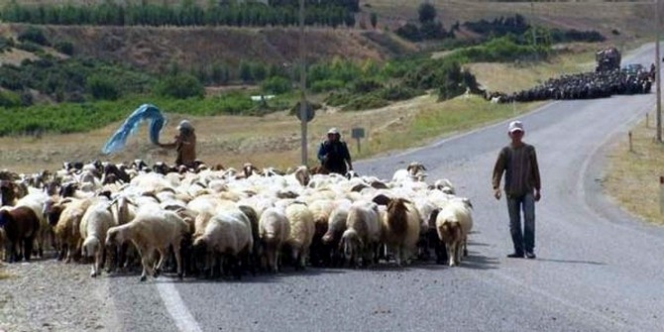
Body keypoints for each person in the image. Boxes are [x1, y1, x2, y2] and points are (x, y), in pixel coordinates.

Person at [492, 120, 541, 259]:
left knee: (529, 219)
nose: (517, 135)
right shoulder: (505, 152)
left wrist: (538, 188)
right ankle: (518, 249)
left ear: (523, 133)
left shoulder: (530, 150)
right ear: (509, 134)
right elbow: (498, 170)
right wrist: (496, 188)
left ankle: (529, 249)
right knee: (514, 222)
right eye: (514, 133)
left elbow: (535, 170)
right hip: (512, 192)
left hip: (527, 190)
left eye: (519, 132)